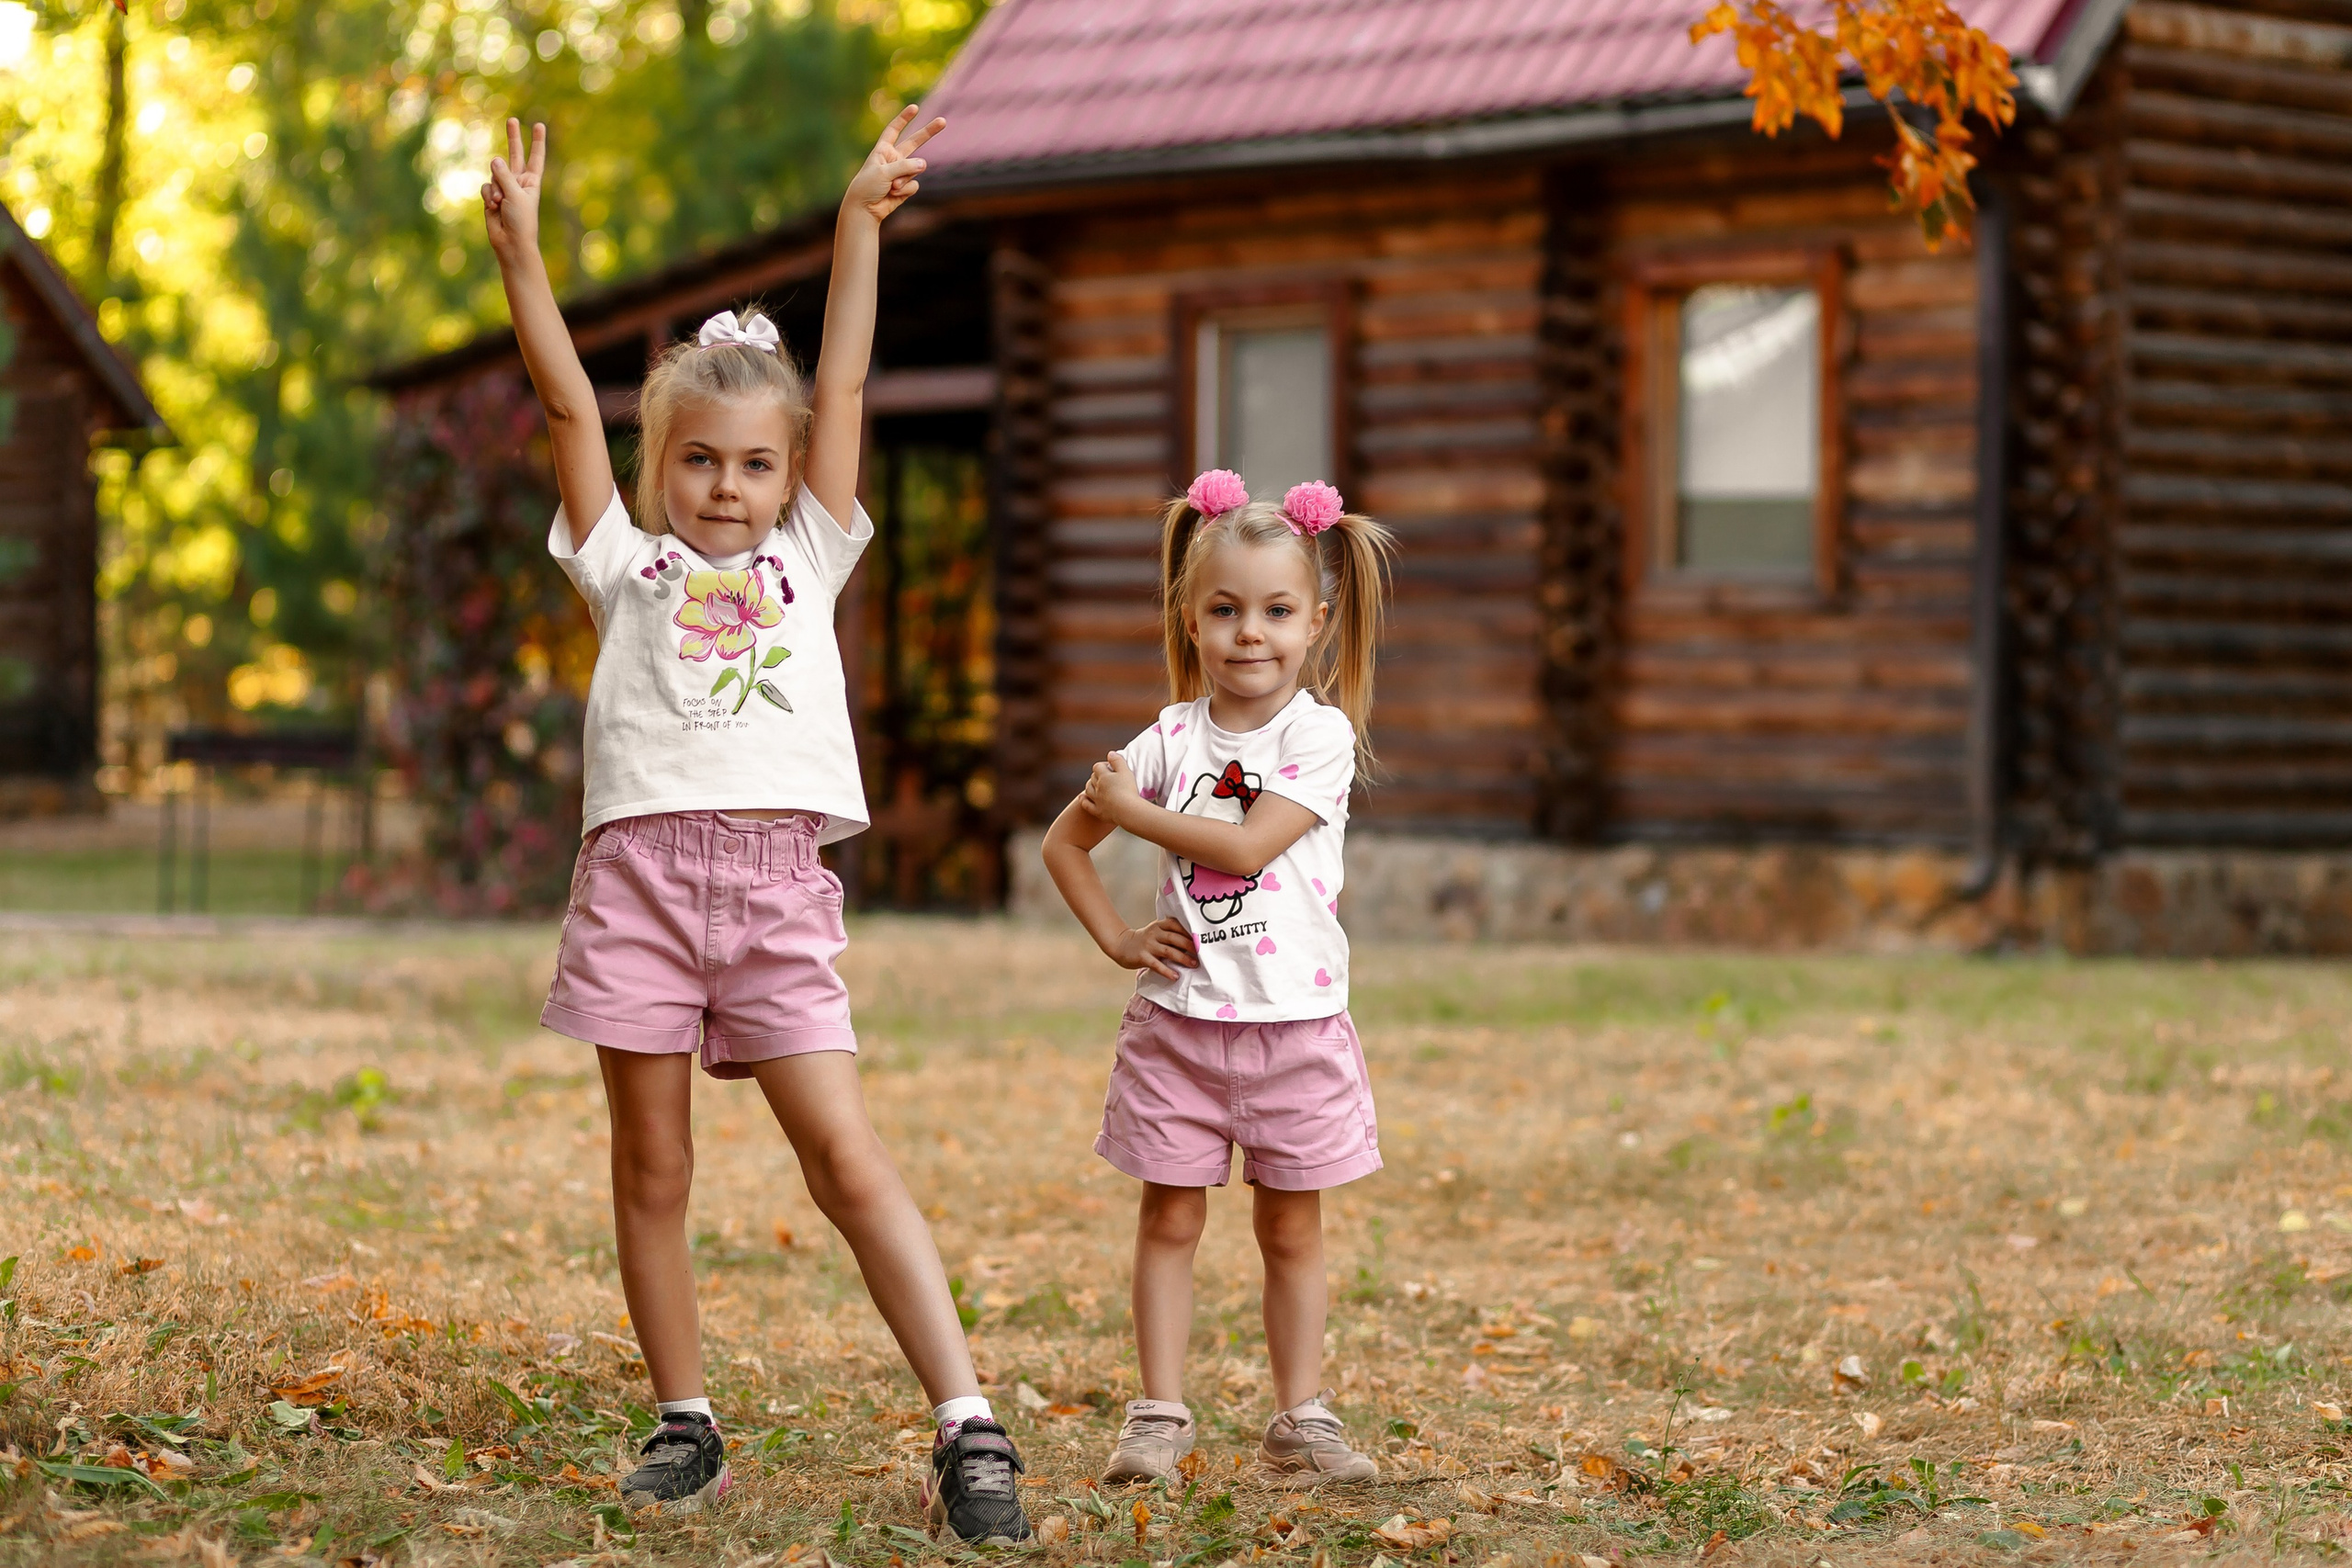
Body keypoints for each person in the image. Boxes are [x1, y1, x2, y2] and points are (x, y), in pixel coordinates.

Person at [480, 112, 1029, 1543]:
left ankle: (968, 1420)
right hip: (642, 889)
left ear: (793, 480)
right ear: (663, 463)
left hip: (776, 891)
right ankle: (687, 1418)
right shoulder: (624, 563)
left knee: (843, 1155)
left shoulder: (811, 550)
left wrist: (859, 220)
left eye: (755, 463)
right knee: (651, 1165)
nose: (728, 486)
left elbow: (839, 374)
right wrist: (525, 258)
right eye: (701, 460)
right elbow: (559, 409)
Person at [1040, 468, 1396, 1486]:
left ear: (1317, 623)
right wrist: (1116, 938)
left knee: (1291, 1226)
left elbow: (1245, 850)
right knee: (1171, 1218)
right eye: (1226, 610)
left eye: (1277, 611)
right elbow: (1065, 843)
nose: (1251, 634)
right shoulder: (1167, 740)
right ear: (1189, 618)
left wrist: (1139, 815)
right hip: (1180, 1031)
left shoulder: (1316, 737)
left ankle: (1302, 1417)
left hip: (1295, 1031)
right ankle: (1157, 1414)